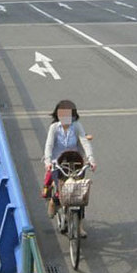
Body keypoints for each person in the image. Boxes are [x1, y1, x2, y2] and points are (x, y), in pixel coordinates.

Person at [44, 100, 96, 237]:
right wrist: (48, 162)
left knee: (79, 195)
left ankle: (79, 227)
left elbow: (84, 142)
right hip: (58, 163)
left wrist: (90, 159)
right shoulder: (54, 128)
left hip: (75, 161)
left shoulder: (77, 126)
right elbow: (49, 146)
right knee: (61, 190)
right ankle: (54, 201)